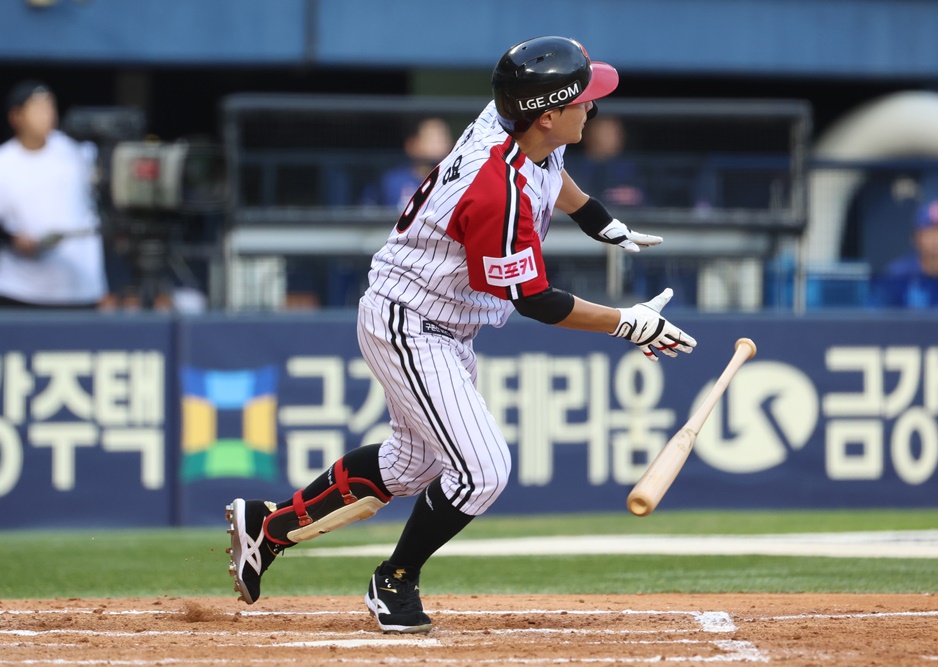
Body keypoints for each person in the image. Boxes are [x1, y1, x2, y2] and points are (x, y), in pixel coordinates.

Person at [226, 36, 696, 634]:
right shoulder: (496, 190)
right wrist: (629, 322)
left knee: (410, 466)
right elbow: (537, 303)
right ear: (548, 114)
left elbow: (554, 173)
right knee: (484, 470)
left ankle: (267, 529)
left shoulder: (520, 123)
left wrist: (598, 220)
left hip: (442, 323)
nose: (594, 109)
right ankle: (394, 579)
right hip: (410, 319)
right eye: (584, 100)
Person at [0, 80, 107, 309]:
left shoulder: (78, 152)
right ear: (16, 116)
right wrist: (12, 239)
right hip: (21, 289)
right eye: (37, 108)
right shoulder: (4, 161)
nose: (47, 115)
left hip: (79, 288)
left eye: (50, 107)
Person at [869, 199, 938, 308]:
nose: (937, 238)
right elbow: (873, 317)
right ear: (915, 238)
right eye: (930, 231)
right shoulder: (897, 276)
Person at [359, 117, 454, 212]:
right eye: (433, 140)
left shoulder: (454, 182)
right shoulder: (391, 181)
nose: (440, 146)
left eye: (443, 139)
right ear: (412, 145)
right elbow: (366, 212)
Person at [571, 114, 647, 206]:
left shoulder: (631, 167)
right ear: (588, 133)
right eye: (606, 132)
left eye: (616, 132)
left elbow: (648, 203)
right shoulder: (572, 166)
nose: (613, 137)